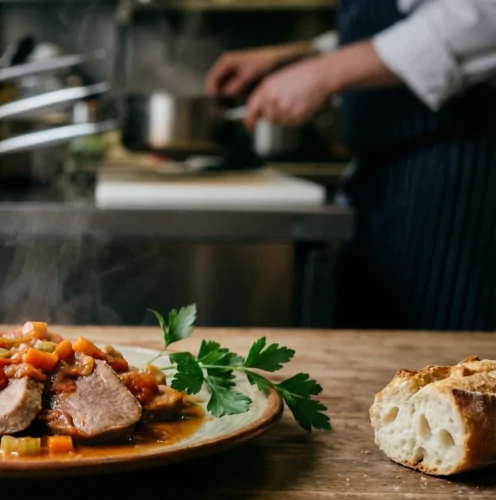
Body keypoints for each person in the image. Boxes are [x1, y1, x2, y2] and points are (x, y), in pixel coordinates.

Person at [206, 1, 496, 331]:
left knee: (454, 360)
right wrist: (311, 55)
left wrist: (326, 72)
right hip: (388, 173)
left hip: (462, 172)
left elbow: (482, 14)